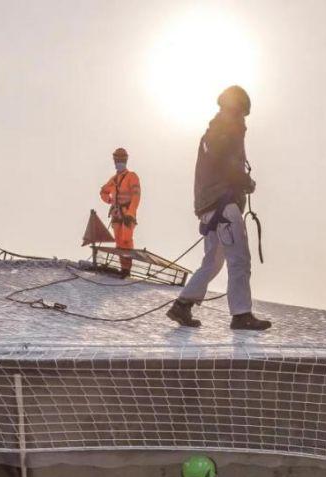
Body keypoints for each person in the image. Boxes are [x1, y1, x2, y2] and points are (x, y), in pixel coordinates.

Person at [166, 86, 271, 331]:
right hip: (224, 206)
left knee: (212, 262)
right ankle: (241, 314)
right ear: (238, 108)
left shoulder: (212, 132)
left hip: (209, 207)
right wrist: (246, 182)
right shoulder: (227, 130)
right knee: (239, 260)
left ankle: (183, 304)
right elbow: (227, 165)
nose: (244, 119)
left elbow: (219, 164)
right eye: (243, 113)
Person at [99, 147, 140, 277]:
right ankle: (123, 268)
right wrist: (109, 200)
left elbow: (136, 196)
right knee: (119, 241)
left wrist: (130, 213)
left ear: (125, 160)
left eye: (121, 159)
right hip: (117, 214)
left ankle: (127, 270)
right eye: (117, 159)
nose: (119, 161)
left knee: (126, 240)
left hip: (128, 214)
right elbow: (103, 191)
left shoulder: (132, 176)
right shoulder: (114, 179)